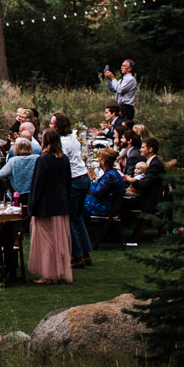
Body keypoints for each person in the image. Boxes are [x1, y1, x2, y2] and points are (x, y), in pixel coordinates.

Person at [30, 130, 74, 284]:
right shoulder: (64, 159)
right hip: (61, 204)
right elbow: (68, 182)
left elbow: (38, 184)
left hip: (46, 205)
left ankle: (49, 273)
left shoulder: (44, 159)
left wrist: (33, 205)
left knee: (46, 240)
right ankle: (59, 271)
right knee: (59, 240)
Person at [52, 112, 93, 266]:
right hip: (83, 178)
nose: (50, 126)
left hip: (74, 180)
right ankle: (85, 252)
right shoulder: (73, 138)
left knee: (69, 217)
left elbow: (63, 163)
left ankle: (76, 255)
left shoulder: (62, 142)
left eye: (52, 123)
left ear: (58, 126)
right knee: (78, 217)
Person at [85, 147, 128, 239]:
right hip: (106, 203)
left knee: (76, 203)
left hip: (104, 207)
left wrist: (90, 180)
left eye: (99, 160)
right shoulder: (111, 173)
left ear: (103, 161)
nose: (98, 161)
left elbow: (96, 193)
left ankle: (80, 234)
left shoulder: (110, 175)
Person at [0, 138, 39, 207]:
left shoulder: (13, 161)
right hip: (35, 194)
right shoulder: (37, 158)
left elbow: (1, 174)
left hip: (17, 195)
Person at [103, 59, 138, 126]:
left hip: (126, 107)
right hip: (120, 106)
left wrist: (113, 78)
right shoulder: (122, 80)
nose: (122, 67)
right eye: (122, 65)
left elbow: (119, 89)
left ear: (130, 68)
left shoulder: (130, 79)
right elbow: (112, 89)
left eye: (124, 66)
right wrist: (108, 79)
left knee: (124, 127)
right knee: (117, 126)